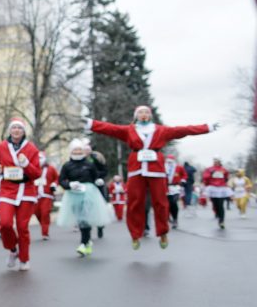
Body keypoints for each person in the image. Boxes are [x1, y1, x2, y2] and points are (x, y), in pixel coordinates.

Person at [86, 105, 214, 250]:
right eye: (140, 112)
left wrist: (206, 127)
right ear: (136, 116)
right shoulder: (129, 130)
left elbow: (183, 130)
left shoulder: (161, 130)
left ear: (150, 115)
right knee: (135, 202)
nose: (144, 114)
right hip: (136, 169)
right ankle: (135, 234)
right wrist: (91, 124)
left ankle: (163, 232)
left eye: (146, 112)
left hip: (156, 169)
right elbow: (110, 128)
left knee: (161, 202)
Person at [0, 118, 42, 270]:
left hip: (26, 191)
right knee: (5, 224)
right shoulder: (1, 147)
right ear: (9, 130)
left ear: (23, 131)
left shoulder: (31, 149)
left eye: (19, 128)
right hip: (7, 190)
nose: (16, 130)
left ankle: (24, 259)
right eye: (13, 128)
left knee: (22, 227)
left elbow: (37, 173)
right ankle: (13, 249)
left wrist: (26, 164)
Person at [56, 139, 111, 257]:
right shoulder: (67, 165)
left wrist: (99, 181)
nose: (77, 152)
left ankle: (83, 243)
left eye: (79, 149)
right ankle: (88, 241)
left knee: (85, 217)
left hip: (89, 193)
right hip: (73, 194)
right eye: (75, 150)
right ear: (71, 151)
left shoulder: (89, 164)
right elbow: (61, 180)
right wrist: (69, 185)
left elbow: (96, 177)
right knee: (79, 218)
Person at [83, 142, 108, 238]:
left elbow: (105, 170)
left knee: (99, 205)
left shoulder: (97, 158)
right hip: (86, 186)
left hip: (98, 185)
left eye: (88, 150)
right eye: (84, 150)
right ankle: (87, 229)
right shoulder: (81, 160)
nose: (86, 152)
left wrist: (99, 178)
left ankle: (100, 226)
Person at [33, 152, 59, 240]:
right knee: (37, 213)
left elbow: (57, 178)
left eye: (40, 158)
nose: (39, 160)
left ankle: (45, 232)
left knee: (45, 213)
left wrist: (54, 184)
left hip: (47, 194)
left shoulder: (51, 169)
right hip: (35, 195)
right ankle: (44, 225)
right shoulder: (32, 169)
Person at [203, 158, 234, 229]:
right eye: (215, 161)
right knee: (215, 205)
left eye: (218, 161)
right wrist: (211, 175)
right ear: (213, 161)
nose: (216, 162)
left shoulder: (223, 169)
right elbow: (205, 177)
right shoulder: (209, 169)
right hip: (213, 188)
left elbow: (226, 177)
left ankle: (221, 221)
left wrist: (223, 182)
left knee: (221, 205)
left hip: (221, 188)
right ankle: (217, 214)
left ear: (220, 161)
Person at [164, 155, 187, 229]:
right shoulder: (163, 167)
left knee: (174, 202)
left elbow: (184, 175)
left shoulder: (179, 167)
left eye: (170, 161)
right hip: (166, 187)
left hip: (176, 187)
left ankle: (175, 219)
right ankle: (169, 217)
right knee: (168, 204)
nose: (169, 163)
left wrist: (183, 180)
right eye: (168, 161)